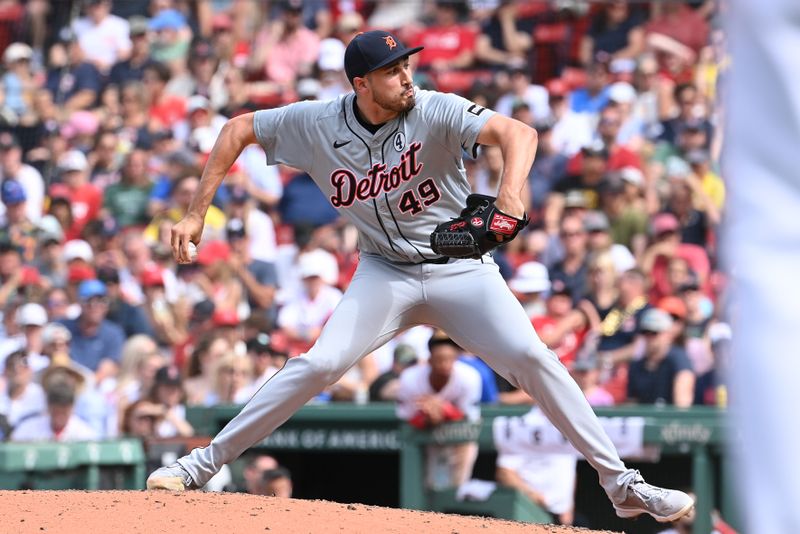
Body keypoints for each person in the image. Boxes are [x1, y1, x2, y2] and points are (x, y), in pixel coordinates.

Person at [147, 29, 693, 523]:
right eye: (392, 70)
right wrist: (196, 211)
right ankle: (198, 467)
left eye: (407, 64)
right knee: (318, 363)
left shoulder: (434, 109)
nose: (406, 76)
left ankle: (622, 484)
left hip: (460, 268)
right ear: (361, 83)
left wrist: (509, 193)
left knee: (534, 359)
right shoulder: (316, 123)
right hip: (384, 271)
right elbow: (239, 128)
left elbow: (518, 133)